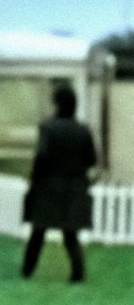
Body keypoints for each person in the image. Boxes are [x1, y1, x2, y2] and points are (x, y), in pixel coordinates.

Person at [22, 84, 97, 282]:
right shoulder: (83, 130)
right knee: (70, 234)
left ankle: (27, 271)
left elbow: (42, 157)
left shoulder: (48, 128)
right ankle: (77, 274)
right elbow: (91, 160)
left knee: (38, 232)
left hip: (49, 187)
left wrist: (34, 178)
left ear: (58, 104)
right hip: (75, 187)